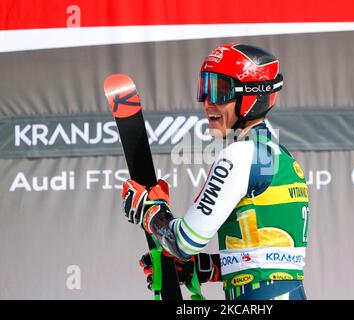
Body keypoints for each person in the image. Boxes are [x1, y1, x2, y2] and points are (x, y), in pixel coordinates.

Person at [122, 43, 310, 300]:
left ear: (252, 97)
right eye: (204, 89)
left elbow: (183, 243)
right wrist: (206, 267)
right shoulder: (283, 157)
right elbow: (270, 259)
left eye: (220, 91)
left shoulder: (240, 155)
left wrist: (148, 210)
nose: (207, 103)